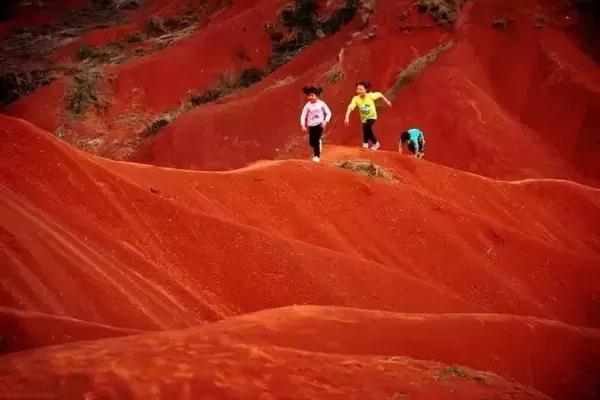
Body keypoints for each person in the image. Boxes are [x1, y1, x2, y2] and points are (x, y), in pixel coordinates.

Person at [344, 81, 392, 150]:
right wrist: (346, 117)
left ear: (366, 90)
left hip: (372, 116)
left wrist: (387, 101)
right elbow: (350, 107)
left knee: (366, 127)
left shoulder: (370, 96)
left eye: (361, 89)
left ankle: (365, 144)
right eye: (357, 89)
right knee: (367, 130)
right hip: (364, 118)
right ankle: (376, 143)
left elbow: (380, 94)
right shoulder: (356, 98)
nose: (359, 91)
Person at [300, 86, 332, 163]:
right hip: (311, 125)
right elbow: (303, 115)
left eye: (312, 95)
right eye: (309, 95)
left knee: (316, 140)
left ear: (317, 95)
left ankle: (316, 156)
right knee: (312, 142)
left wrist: (325, 121)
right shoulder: (307, 105)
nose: (310, 97)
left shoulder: (321, 104)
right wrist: (303, 125)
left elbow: (328, 112)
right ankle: (318, 143)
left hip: (319, 124)